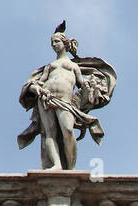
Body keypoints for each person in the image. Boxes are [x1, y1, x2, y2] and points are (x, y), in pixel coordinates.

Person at [18, 23, 117, 170]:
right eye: (52, 43)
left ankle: (71, 167)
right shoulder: (50, 66)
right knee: (49, 133)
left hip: (65, 101)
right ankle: (56, 164)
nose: (54, 45)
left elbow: (82, 85)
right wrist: (36, 88)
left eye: (56, 42)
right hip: (46, 98)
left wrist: (93, 89)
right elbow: (36, 83)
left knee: (68, 131)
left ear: (64, 43)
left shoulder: (73, 66)